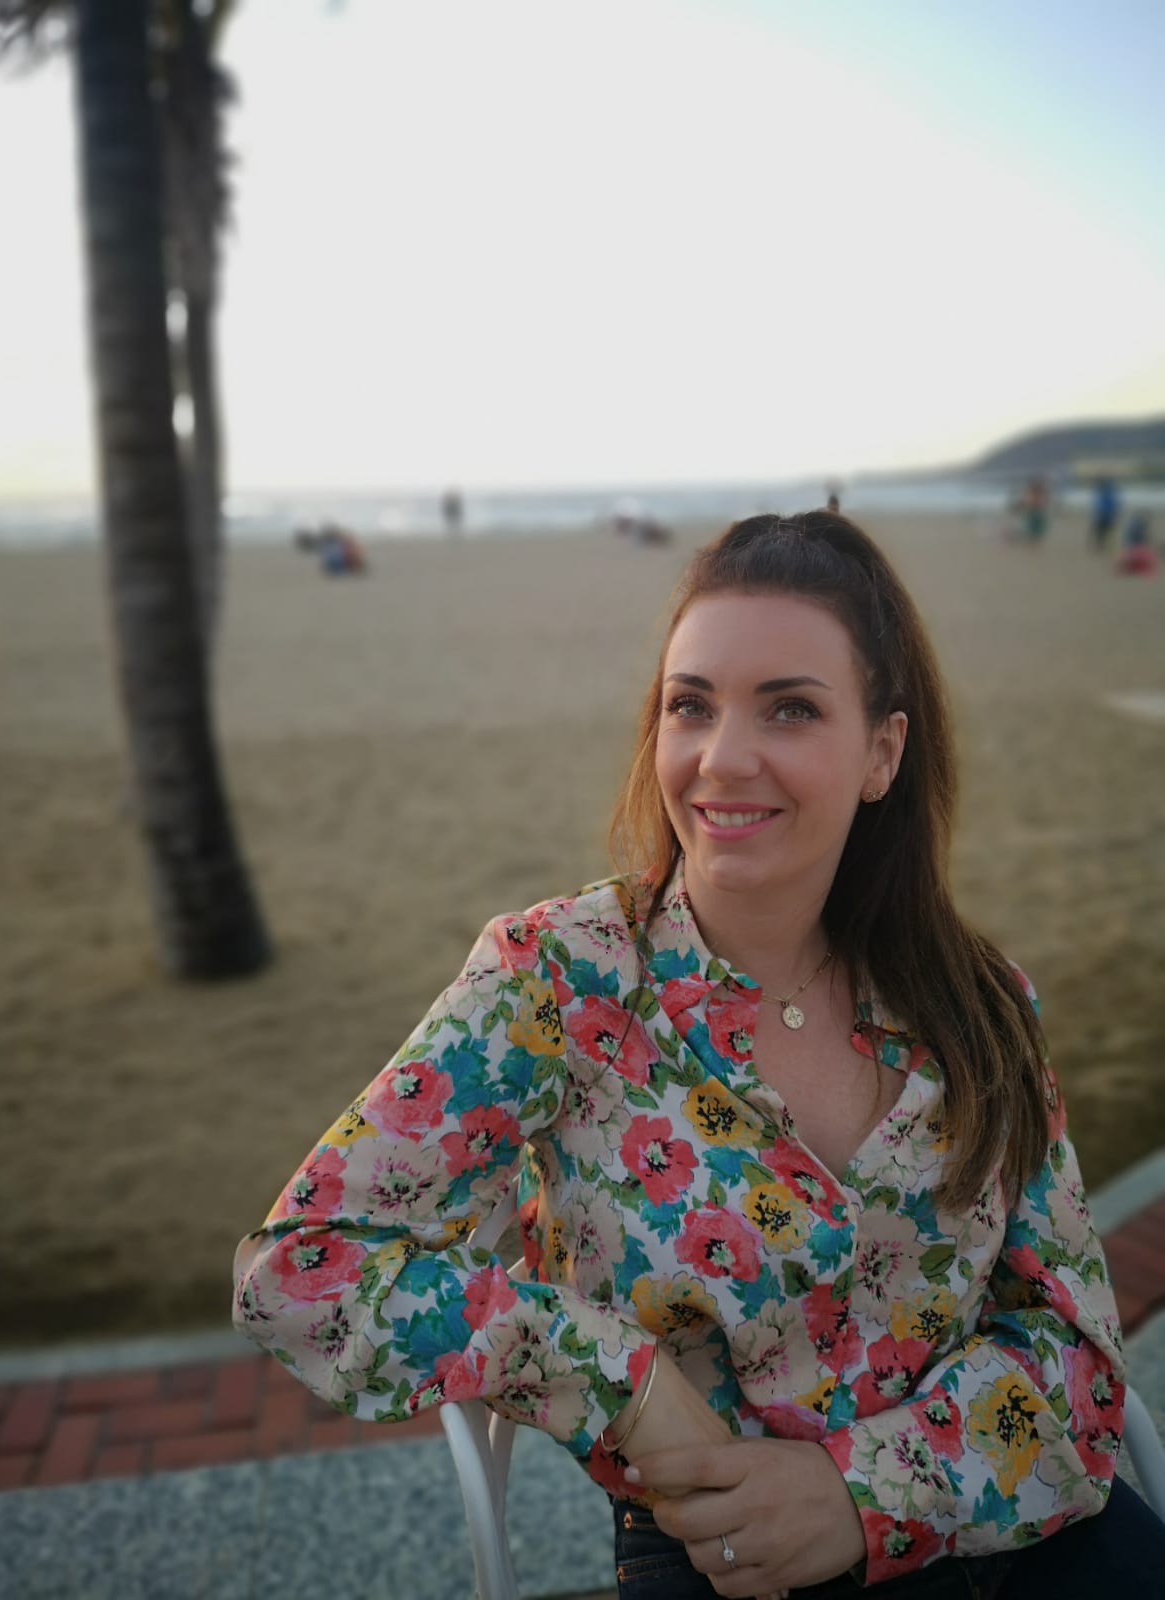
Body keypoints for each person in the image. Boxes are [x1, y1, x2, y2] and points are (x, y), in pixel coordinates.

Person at [233, 511, 1163, 1597]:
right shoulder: (560, 978)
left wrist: (861, 1494)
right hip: (723, 1556)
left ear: (882, 752)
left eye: (790, 708)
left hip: (1001, 1518)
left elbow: (1080, 1359)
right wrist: (615, 1377)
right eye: (691, 705)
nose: (722, 759)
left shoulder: (981, 1002)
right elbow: (297, 1268)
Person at [1091, 478, 1121, 552]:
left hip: (1103, 517)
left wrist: (1096, 514)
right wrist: (1116, 515)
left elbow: (1099, 506)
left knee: (1101, 533)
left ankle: (1101, 546)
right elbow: (1115, 506)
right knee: (1107, 533)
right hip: (1108, 517)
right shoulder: (1110, 494)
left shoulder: (1103, 494)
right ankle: (1105, 546)